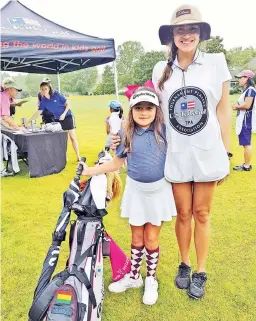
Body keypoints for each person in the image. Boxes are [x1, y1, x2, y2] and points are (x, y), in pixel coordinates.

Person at [113, 4, 232, 300]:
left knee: (202, 213)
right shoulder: (160, 69)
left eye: (192, 29)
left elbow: (223, 111)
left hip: (207, 152)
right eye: (180, 30)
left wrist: (226, 153)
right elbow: (151, 109)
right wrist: (124, 134)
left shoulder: (216, 62)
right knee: (182, 213)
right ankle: (184, 263)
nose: (186, 35)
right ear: (172, 36)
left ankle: (200, 270)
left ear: (200, 33)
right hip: (175, 154)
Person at [79, 86, 177, 306]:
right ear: (131, 110)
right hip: (136, 191)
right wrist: (90, 171)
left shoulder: (164, 129)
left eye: (149, 108)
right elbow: (116, 163)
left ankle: (150, 278)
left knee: (151, 238)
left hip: (158, 191)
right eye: (139, 108)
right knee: (136, 238)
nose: (144, 112)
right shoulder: (125, 133)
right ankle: (134, 277)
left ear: (156, 109)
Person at [26, 81, 80, 161]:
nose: (44, 91)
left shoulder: (56, 95)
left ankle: (78, 156)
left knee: (72, 137)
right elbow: (38, 113)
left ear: (49, 89)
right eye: (42, 89)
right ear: (40, 90)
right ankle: (64, 157)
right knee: (62, 139)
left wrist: (64, 114)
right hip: (58, 120)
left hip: (68, 116)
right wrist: (27, 122)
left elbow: (68, 103)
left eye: (45, 89)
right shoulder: (43, 101)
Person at [233, 70, 255, 171]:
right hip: (244, 119)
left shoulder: (250, 90)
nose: (238, 80)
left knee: (246, 143)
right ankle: (246, 163)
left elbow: (247, 105)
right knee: (245, 143)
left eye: (240, 77)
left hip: (246, 120)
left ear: (247, 78)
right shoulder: (247, 90)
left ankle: (247, 165)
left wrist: (236, 107)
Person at [0, 78, 24, 177]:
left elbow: (1, 118)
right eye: (15, 89)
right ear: (9, 89)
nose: (17, 92)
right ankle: (1, 171)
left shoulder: (2, 96)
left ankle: (1, 170)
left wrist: (9, 127)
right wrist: (18, 128)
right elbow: (5, 117)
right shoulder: (4, 97)